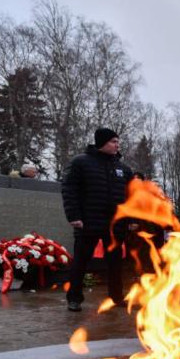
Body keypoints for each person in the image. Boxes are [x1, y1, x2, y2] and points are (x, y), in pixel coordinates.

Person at [61, 128, 133, 312]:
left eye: (118, 141)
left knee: (115, 263)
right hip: (88, 222)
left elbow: (132, 196)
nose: (117, 145)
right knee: (81, 261)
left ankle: (116, 297)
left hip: (115, 224)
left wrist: (131, 219)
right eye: (113, 141)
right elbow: (70, 190)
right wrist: (74, 216)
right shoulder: (81, 162)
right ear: (101, 142)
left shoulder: (123, 169)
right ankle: (74, 298)